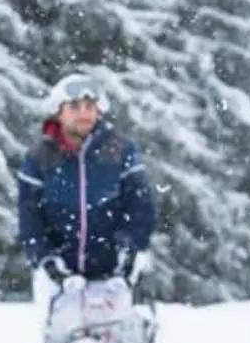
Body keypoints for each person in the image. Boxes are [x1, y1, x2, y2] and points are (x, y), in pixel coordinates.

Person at [17, 71, 156, 287]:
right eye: (74, 107)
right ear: (58, 112)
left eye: (89, 107)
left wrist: (130, 250)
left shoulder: (119, 150)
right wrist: (45, 259)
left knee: (118, 320)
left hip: (114, 274)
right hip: (60, 275)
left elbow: (140, 207)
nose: (84, 114)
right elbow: (29, 216)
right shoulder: (40, 157)